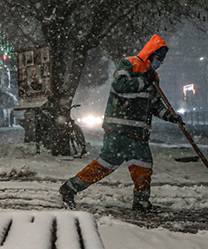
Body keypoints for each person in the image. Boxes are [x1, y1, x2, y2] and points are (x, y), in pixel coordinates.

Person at [59, 34, 182, 212]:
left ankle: (141, 201)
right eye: (157, 58)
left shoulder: (153, 77)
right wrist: (144, 80)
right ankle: (69, 188)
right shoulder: (129, 64)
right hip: (118, 130)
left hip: (138, 133)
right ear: (149, 54)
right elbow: (120, 85)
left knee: (144, 166)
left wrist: (170, 116)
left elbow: (154, 104)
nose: (159, 63)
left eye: (162, 60)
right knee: (105, 165)